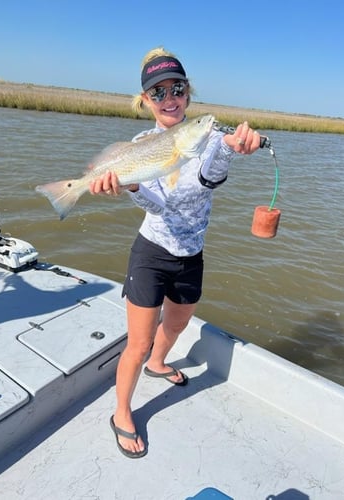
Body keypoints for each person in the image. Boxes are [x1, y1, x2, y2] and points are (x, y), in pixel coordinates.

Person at [89, 47, 261, 458]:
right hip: (152, 250)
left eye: (177, 88)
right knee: (139, 341)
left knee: (180, 323)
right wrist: (131, 186)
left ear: (188, 91)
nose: (169, 97)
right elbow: (160, 206)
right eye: (158, 91)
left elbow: (211, 172)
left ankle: (159, 364)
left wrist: (236, 147)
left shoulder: (211, 137)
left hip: (192, 252)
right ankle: (121, 412)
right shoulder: (140, 145)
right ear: (145, 100)